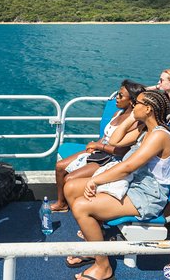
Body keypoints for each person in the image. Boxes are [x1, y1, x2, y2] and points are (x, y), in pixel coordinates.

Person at [64, 91, 170, 280]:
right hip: (135, 183)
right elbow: (113, 141)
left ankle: (103, 267)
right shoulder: (145, 130)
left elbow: (128, 166)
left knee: (82, 206)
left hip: (149, 195)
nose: (133, 105)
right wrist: (132, 116)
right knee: (71, 187)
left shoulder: (159, 136)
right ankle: (95, 247)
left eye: (137, 104)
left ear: (148, 109)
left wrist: (96, 180)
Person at [50, 79, 146, 212]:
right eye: (117, 94)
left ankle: (84, 213)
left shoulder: (135, 123)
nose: (117, 98)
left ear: (131, 101)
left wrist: (98, 146)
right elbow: (105, 136)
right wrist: (96, 144)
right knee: (60, 167)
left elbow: (121, 151)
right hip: (99, 151)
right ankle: (62, 203)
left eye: (120, 96)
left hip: (109, 158)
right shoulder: (117, 113)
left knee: (70, 178)